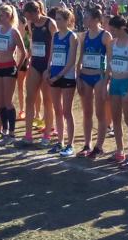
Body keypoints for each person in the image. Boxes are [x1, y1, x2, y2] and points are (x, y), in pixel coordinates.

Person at [76, 8, 112, 158]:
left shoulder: (105, 36)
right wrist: (78, 77)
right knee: (87, 112)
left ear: (97, 19)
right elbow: (80, 59)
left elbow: (110, 61)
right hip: (85, 76)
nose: (85, 20)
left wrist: (106, 81)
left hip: (99, 78)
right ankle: (87, 144)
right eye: (84, 17)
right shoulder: (83, 36)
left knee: (100, 113)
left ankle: (99, 146)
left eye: (88, 17)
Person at [0, 5, 27, 146]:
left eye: (3, 15)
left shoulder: (14, 32)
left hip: (9, 67)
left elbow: (24, 52)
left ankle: (11, 132)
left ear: (10, 16)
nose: (0, 17)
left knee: (7, 101)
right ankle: (3, 130)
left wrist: (17, 67)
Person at [107, 16, 128, 168]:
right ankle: (120, 150)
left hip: (127, 83)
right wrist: (105, 84)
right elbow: (109, 65)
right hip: (114, 83)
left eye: (113, 29)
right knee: (115, 120)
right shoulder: (112, 43)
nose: (110, 31)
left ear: (121, 28)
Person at [21, 0, 57, 147]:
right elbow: (32, 42)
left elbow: (56, 45)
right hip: (35, 64)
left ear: (36, 12)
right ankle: (28, 134)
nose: (28, 19)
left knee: (48, 100)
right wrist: (29, 60)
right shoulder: (31, 24)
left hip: (48, 65)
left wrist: (50, 66)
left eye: (29, 15)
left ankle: (47, 134)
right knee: (30, 98)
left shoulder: (50, 23)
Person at [45, 9, 79, 157]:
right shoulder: (56, 36)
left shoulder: (72, 37)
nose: (57, 22)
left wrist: (58, 76)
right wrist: (48, 70)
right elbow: (51, 55)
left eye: (60, 19)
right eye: (56, 19)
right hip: (54, 76)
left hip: (66, 77)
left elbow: (71, 61)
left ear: (67, 21)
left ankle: (70, 144)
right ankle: (60, 142)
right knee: (57, 110)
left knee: (67, 111)